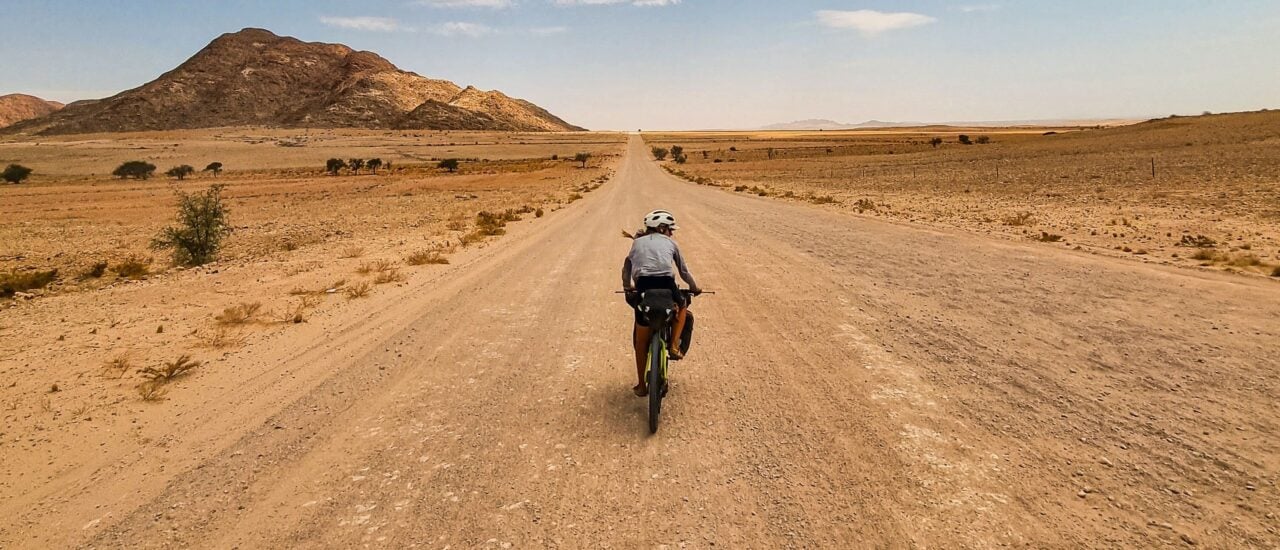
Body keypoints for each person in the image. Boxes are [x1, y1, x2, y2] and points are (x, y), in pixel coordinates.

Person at [621, 209, 701, 397]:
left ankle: (642, 385)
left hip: (643, 289)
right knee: (681, 307)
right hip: (667, 286)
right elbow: (684, 272)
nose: (672, 233)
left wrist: (628, 286)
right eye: (670, 229)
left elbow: (626, 269)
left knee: (641, 342)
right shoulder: (671, 244)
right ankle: (673, 345)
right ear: (662, 228)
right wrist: (695, 288)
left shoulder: (636, 243)